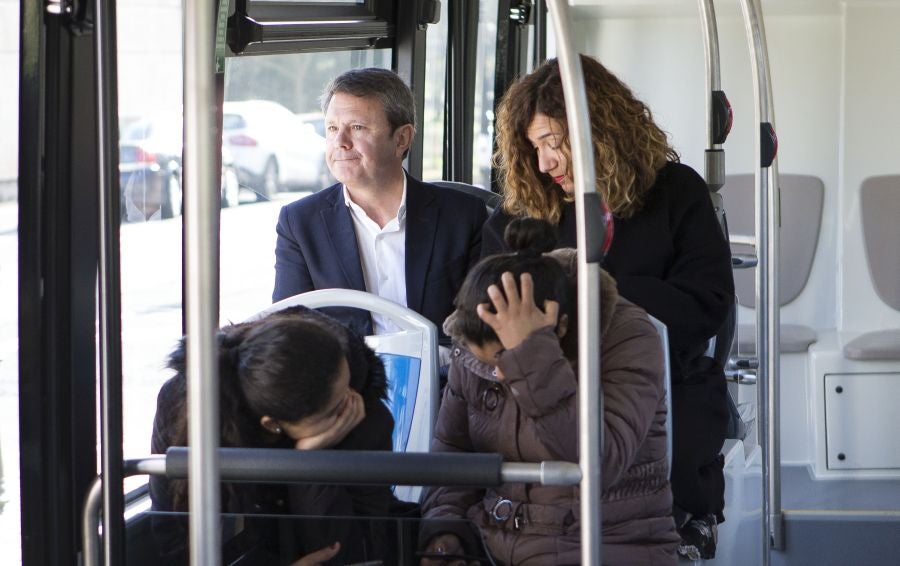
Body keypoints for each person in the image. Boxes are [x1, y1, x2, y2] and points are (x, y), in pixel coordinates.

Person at [482, 55, 734, 560]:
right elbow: (489, 310)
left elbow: (705, 306)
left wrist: (587, 293)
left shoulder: (675, 191)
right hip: (545, 385)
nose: (545, 163)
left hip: (662, 384)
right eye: (534, 147)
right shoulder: (523, 212)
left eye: (554, 142)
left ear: (600, 133)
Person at [420, 218, 678, 565]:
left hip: (603, 543)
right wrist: (446, 531)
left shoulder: (627, 337)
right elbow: (453, 451)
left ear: (561, 327)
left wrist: (530, 356)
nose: (498, 374)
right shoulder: (475, 337)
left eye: (502, 358)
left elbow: (598, 461)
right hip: (491, 543)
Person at [149, 306, 395, 565]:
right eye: (336, 409)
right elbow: (175, 538)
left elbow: (352, 552)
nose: (351, 403)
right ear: (273, 425)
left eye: (348, 385)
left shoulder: (365, 415)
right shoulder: (185, 407)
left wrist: (309, 465)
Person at [273, 68, 488, 342]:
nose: (340, 142)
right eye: (332, 128)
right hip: (346, 381)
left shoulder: (463, 216)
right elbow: (286, 332)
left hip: (444, 379)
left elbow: (482, 332)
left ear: (401, 139)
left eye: (357, 128)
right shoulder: (300, 223)